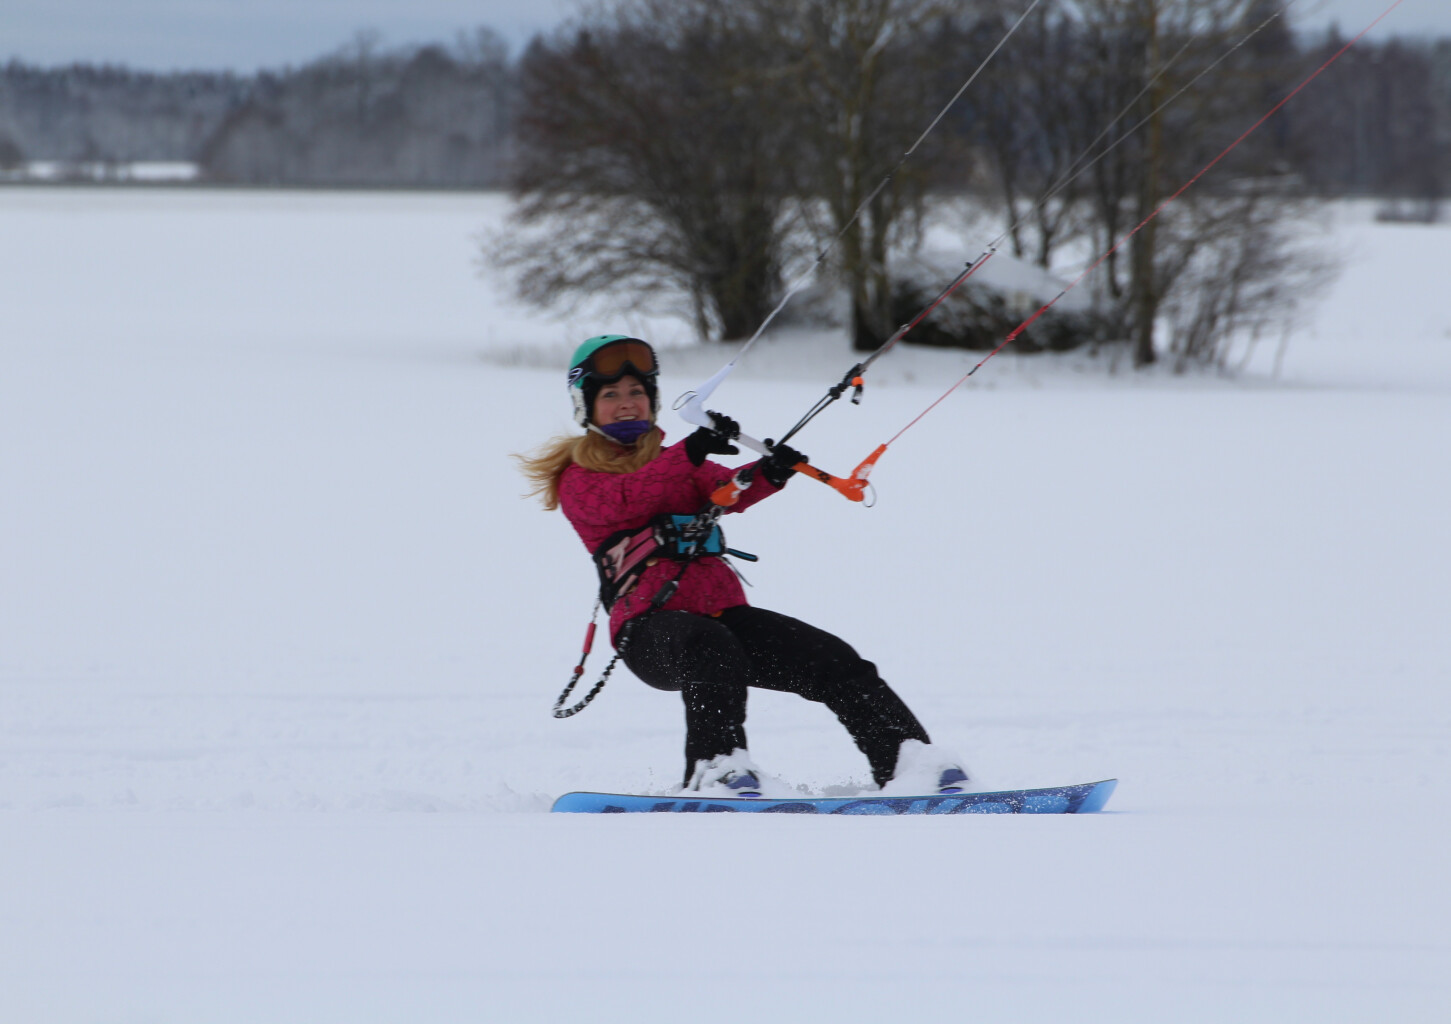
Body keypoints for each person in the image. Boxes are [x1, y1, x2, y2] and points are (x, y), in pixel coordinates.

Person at [518, 334, 968, 797]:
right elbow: (629, 497)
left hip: (722, 618)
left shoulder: (677, 463)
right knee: (708, 646)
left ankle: (911, 763)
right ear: (586, 406)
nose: (627, 403)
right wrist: (691, 451)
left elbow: (727, 490)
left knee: (835, 660)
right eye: (610, 395)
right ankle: (715, 772)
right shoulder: (580, 478)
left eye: (636, 392)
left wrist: (768, 474)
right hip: (649, 633)